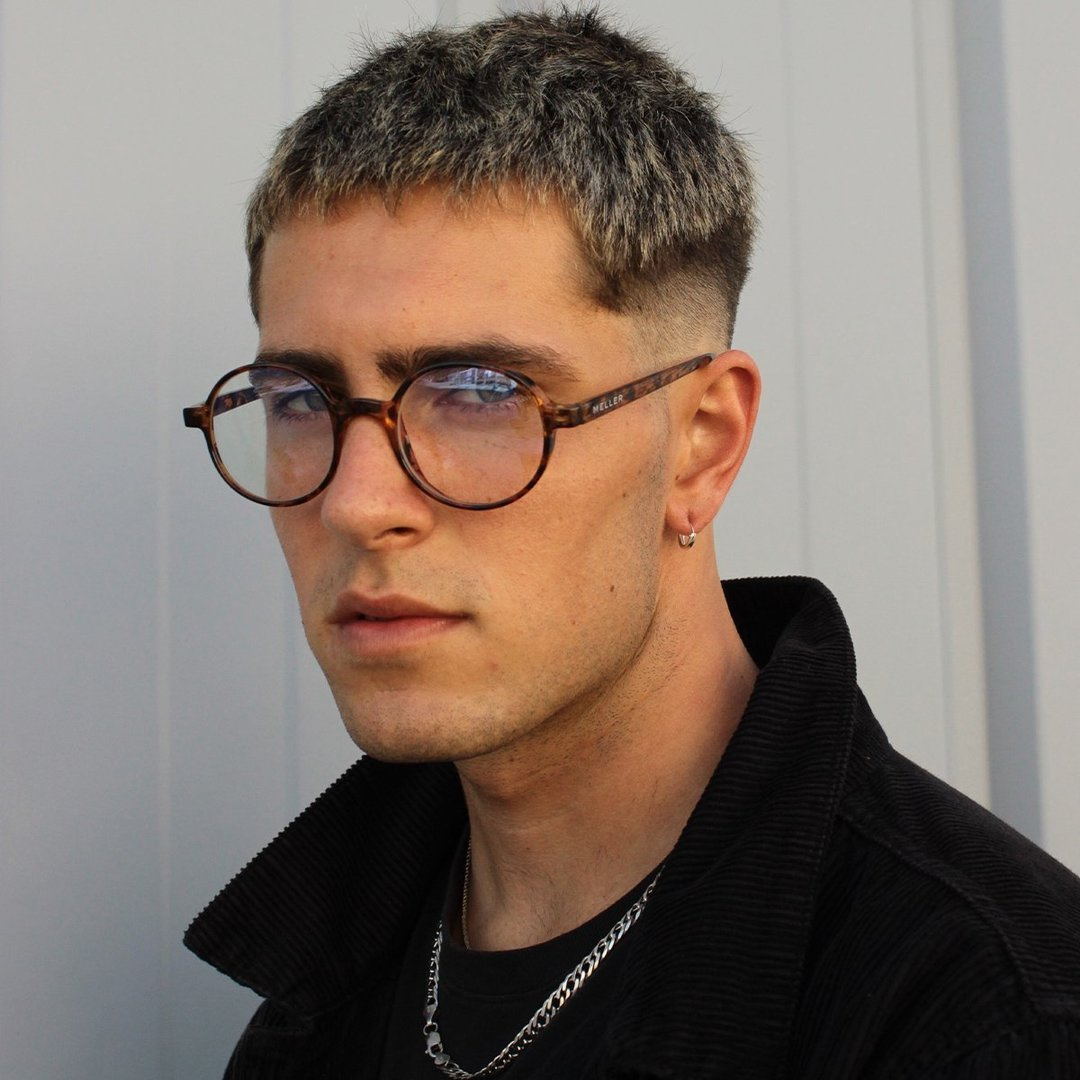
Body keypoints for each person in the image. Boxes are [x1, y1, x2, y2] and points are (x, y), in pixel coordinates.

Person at [182, 9, 1080, 1078]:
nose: (357, 503)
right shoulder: (323, 990)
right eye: (299, 398)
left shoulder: (987, 1016)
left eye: (480, 392)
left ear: (703, 444)